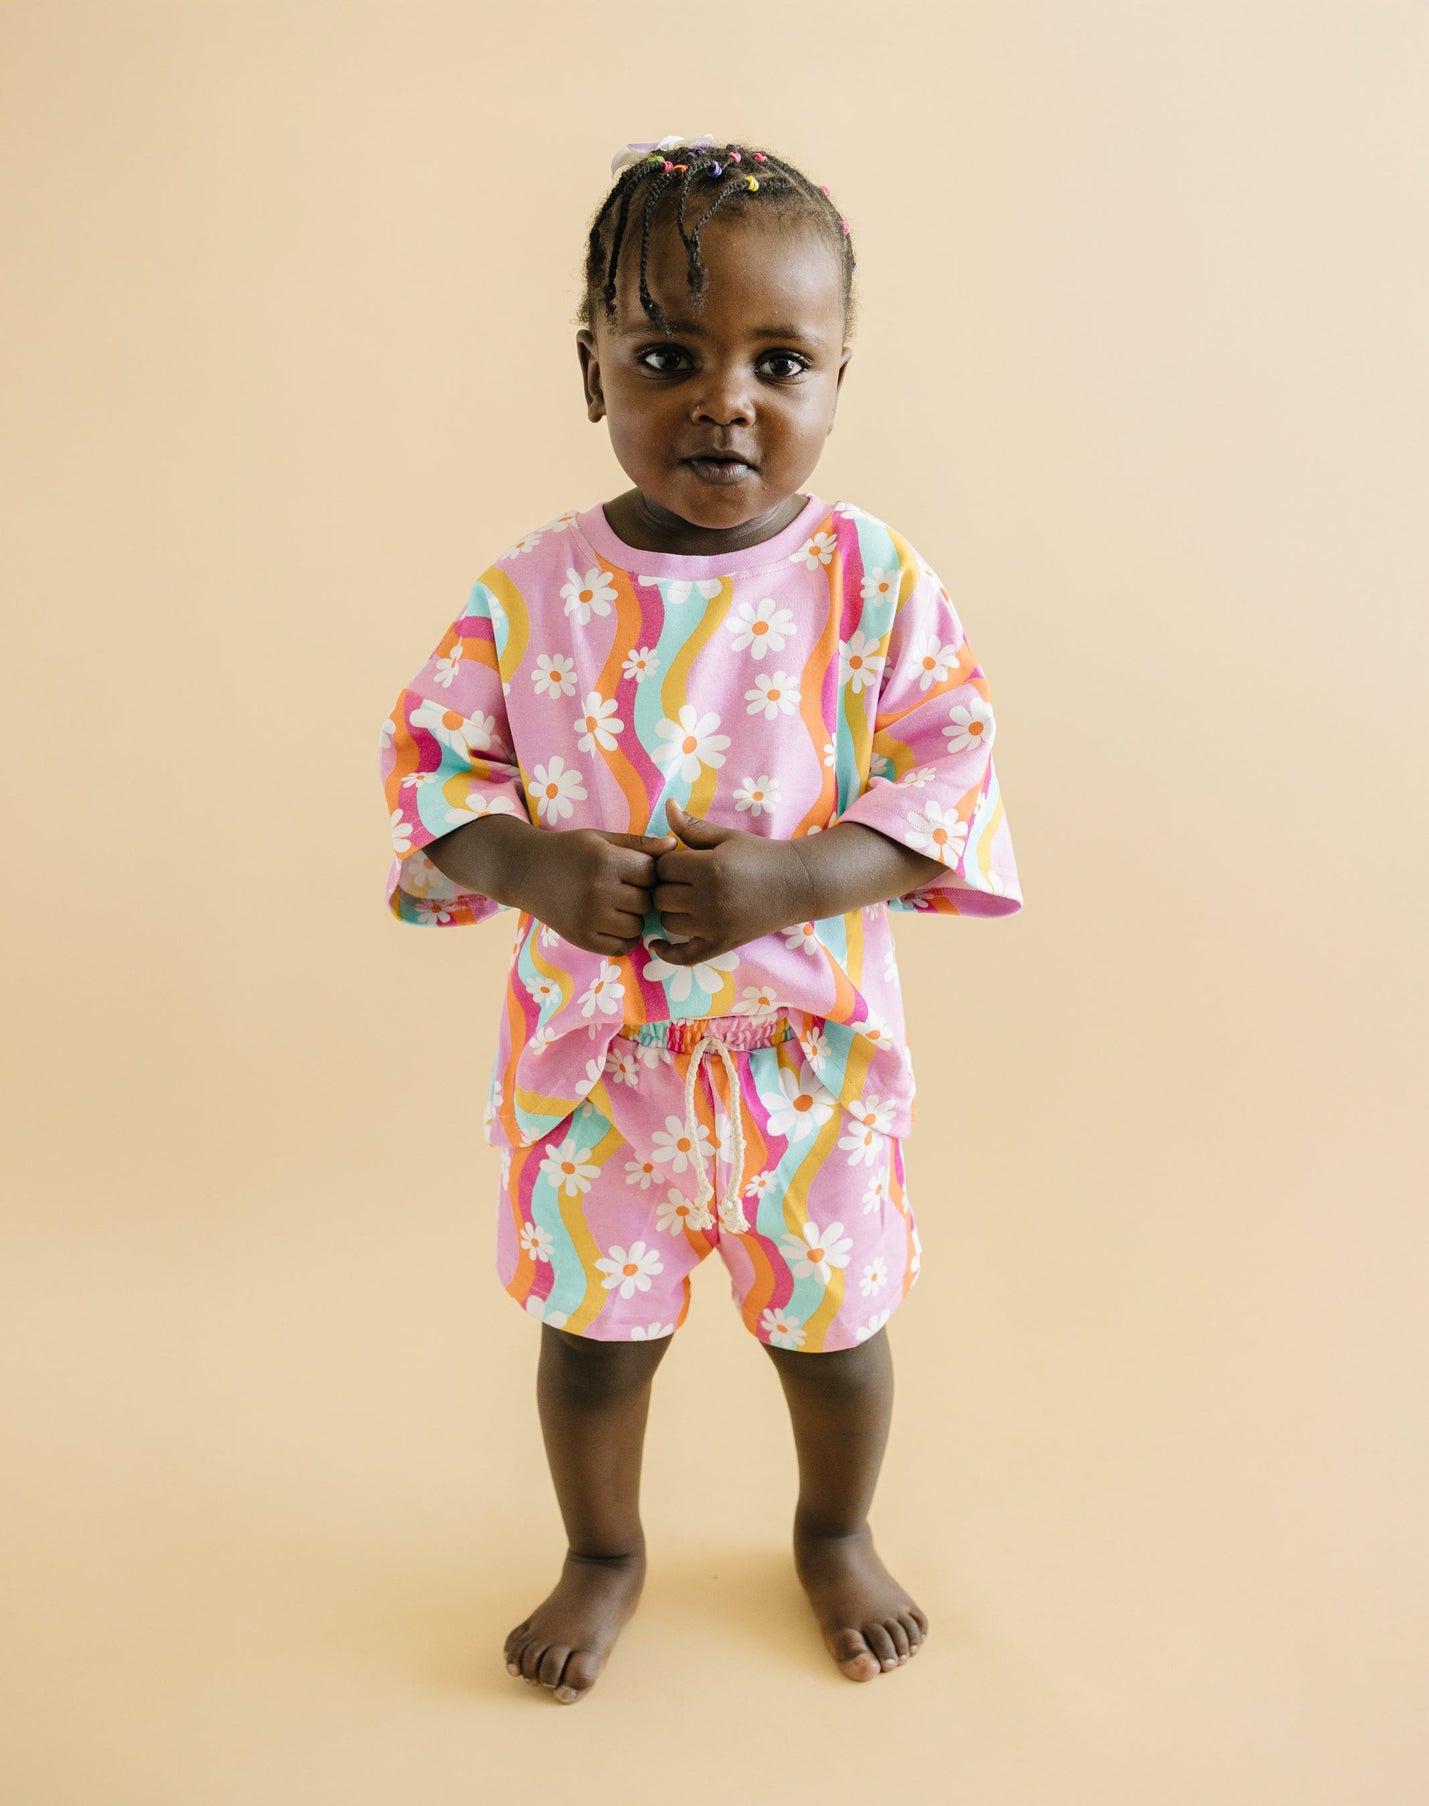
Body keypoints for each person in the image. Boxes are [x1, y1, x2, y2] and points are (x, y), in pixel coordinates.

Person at [378, 133, 1024, 1704]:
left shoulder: (871, 582)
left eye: (777, 362)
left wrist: (794, 881)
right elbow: (430, 766)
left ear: (837, 378)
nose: (723, 400)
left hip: (804, 1065)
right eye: (666, 356)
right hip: (600, 1070)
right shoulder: (530, 592)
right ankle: (602, 1550)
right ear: (589, 365)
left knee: (833, 1330)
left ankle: (833, 1528)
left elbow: (949, 764)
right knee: (593, 1338)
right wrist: (533, 866)